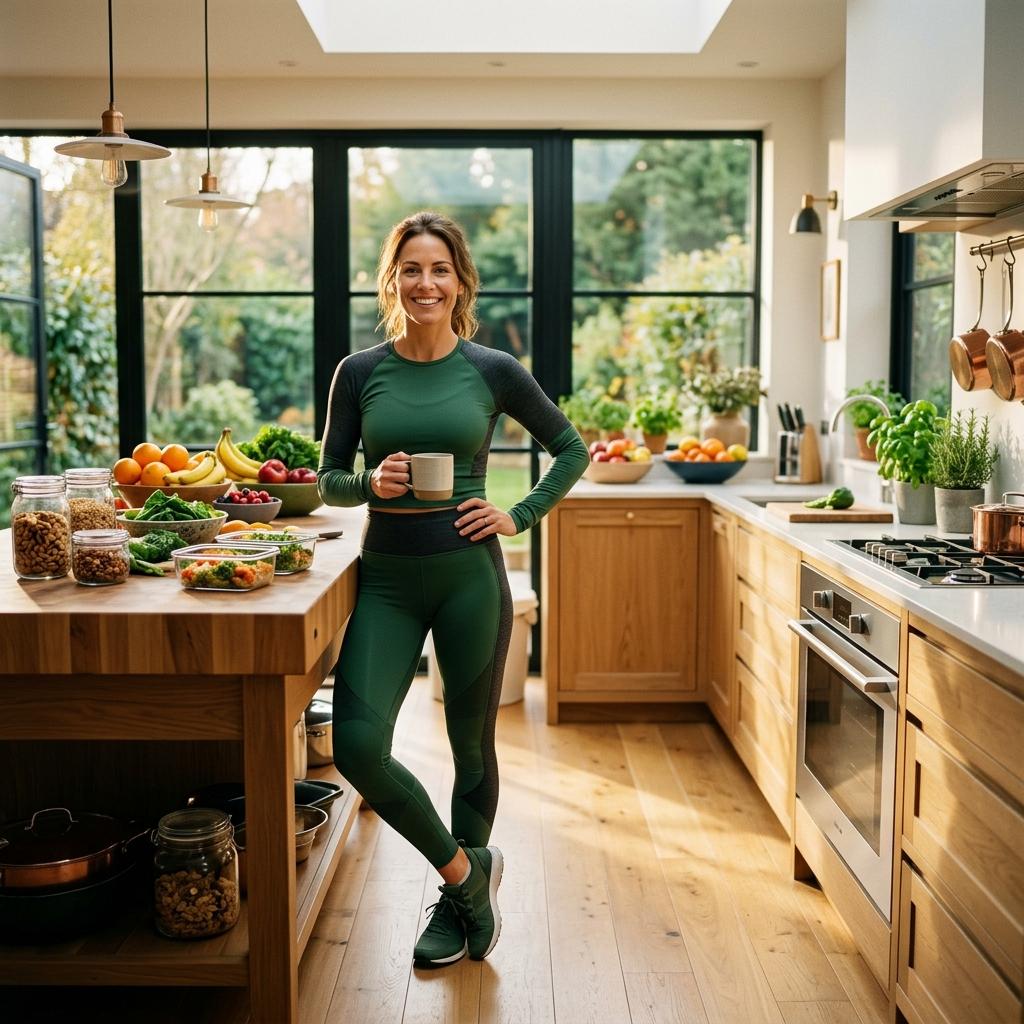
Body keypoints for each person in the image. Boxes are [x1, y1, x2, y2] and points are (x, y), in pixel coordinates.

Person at [317, 210, 589, 968]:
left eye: (439, 269)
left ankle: (453, 899)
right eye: (411, 268)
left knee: (472, 749)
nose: (425, 282)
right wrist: (368, 480)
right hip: (389, 582)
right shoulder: (359, 372)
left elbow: (570, 448)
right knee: (358, 749)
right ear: (393, 280)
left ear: (460, 281)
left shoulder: (494, 370)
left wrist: (518, 513)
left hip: (472, 580)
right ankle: (469, 876)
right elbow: (328, 477)